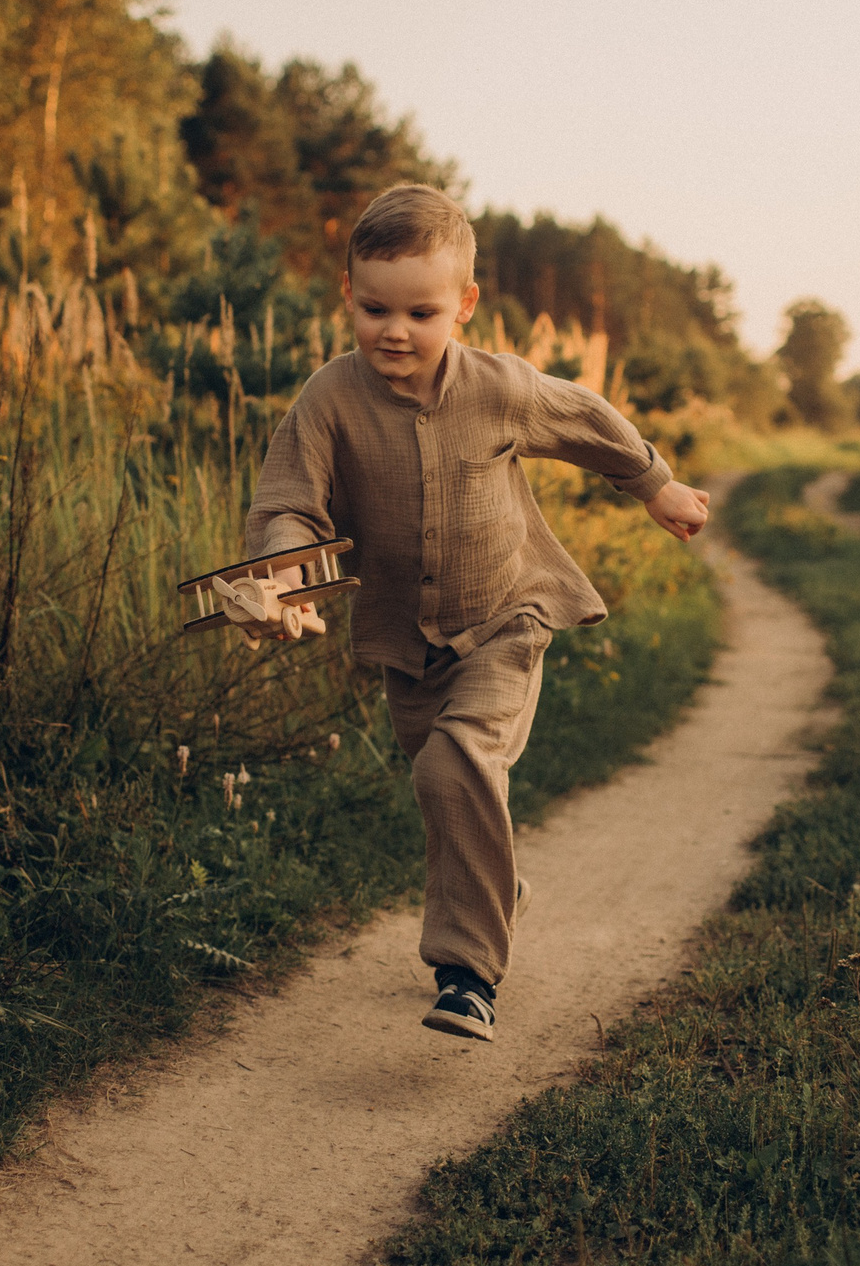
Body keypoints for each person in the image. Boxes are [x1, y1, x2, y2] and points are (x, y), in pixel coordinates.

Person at [242, 183, 713, 1041]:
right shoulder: (329, 399)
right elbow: (289, 504)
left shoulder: (499, 388)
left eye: (421, 313)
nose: (396, 330)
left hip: (508, 617)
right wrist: (281, 577)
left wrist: (654, 483)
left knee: (451, 763)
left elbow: (584, 417)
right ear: (348, 294)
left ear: (463, 305)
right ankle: (491, 885)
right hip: (409, 646)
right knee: (447, 783)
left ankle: (466, 978)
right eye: (376, 309)